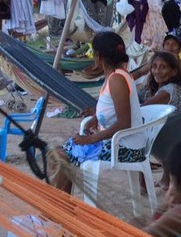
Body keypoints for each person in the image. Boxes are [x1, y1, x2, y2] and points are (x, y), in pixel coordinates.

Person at [50, 31, 143, 194]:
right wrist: (96, 117)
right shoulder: (114, 76)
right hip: (116, 143)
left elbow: (124, 123)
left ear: (98, 56)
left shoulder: (117, 79)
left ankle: (59, 209)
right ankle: (59, 206)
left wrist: (91, 138)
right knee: (57, 153)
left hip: (125, 148)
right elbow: (114, 110)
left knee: (60, 156)